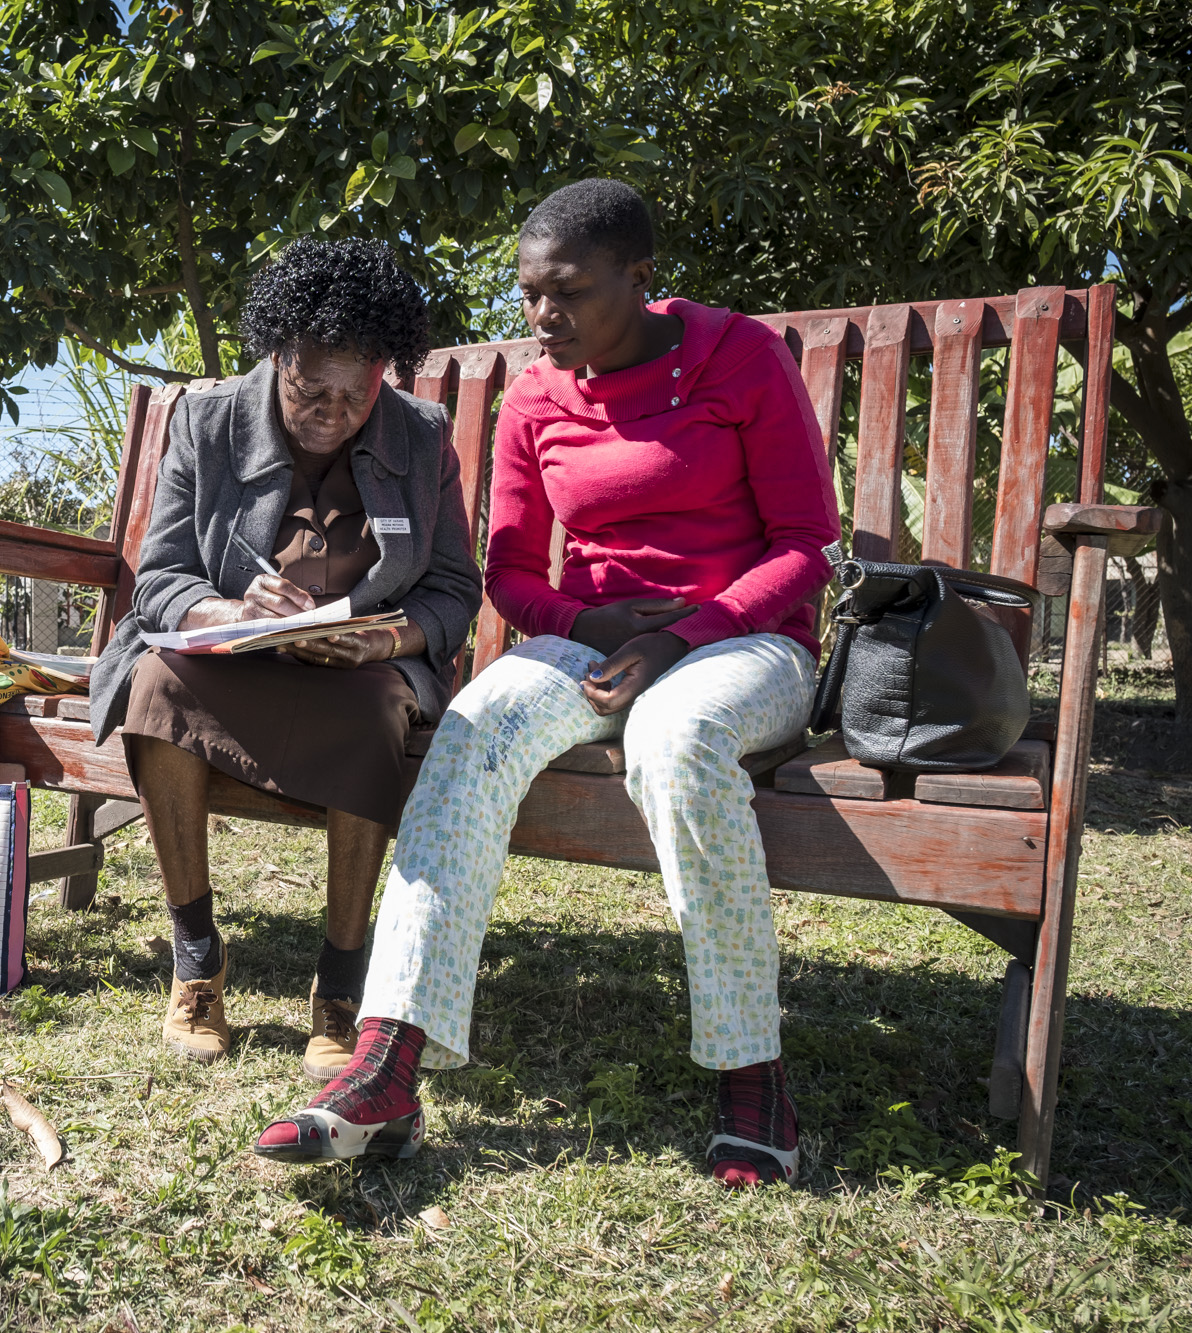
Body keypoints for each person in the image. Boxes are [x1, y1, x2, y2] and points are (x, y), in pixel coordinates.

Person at [254, 180, 840, 1188]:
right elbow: (512, 574)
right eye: (528, 295)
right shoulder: (533, 398)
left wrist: (684, 636)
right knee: (472, 725)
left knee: (673, 737)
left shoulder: (736, 356)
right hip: (595, 640)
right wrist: (587, 623)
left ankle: (754, 1080)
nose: (540, 318)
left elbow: (804, 546)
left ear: (639, 278)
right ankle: (385, 1064)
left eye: (565, 293)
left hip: (746, 641)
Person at [89, 238, 482, 1079]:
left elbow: (453, 590)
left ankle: (340, 985)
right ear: (277, 357)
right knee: (153, 683)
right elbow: (158, 577)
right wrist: (227, 609)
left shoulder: (420, 436)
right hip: (234, 657)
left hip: (360, 672)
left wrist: (389, 636)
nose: (335, 413)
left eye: (358, 393)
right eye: (313, 390)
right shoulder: (208, 419)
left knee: (377, 709)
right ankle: (196, 959)